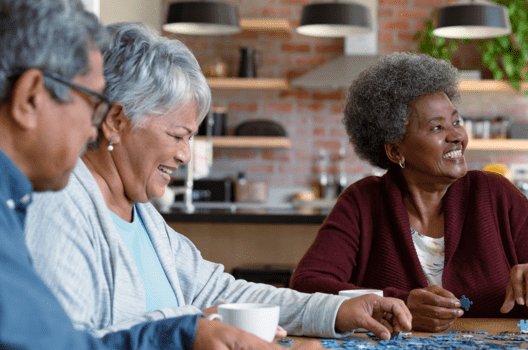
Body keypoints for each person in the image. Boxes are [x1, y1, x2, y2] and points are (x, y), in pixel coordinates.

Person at [23, 22, 411, 341]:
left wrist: (338, 309)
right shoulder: (59, 205)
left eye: (190, 138)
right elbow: (67, 340)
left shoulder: (141, 215)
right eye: (178, 136)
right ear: (116, 122)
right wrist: (188, 325)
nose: (185, 155)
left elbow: (223, 294)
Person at [0, 0, 285, 348]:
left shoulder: (14, 203)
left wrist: (188, 329)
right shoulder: (43, 207)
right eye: (91, 104)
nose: (93, 131)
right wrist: (186, 327)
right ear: (30, 98)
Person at [289, 52, 528, 332]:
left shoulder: (498, 194)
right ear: (396, 150)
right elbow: (307, 285)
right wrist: (399, 305)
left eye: (457, 122)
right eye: (437, 127)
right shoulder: (363, 202)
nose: (457, 136)